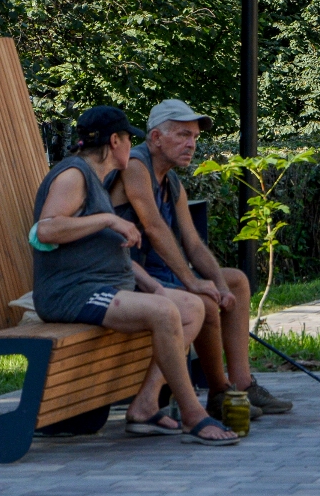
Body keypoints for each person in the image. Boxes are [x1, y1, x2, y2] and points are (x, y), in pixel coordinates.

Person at [30, 106, 239, 445]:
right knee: (163, 312)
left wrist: (155, 286)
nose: (132, 145)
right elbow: (46, 230)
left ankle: (143, 407)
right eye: (129, 138)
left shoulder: (95, 180)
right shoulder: (74, 175)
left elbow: (112, 252)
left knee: (191, 308)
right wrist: (109, 220)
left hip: (106, 286)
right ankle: (193, 414)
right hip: (71, 294)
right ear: (115, 141)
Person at [108, 100, 294, 423]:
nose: (191, 143)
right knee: (203, 300)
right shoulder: (135, 166)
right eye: (182, 134)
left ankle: (242, 385)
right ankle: (219, 392)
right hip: (129, 276)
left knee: (235, 280)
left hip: (158, 275)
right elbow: (153, 227)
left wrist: (220, 285)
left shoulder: (172, 183)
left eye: (194, 136)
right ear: (155, 138)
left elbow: (193, 244)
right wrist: (193, 282)